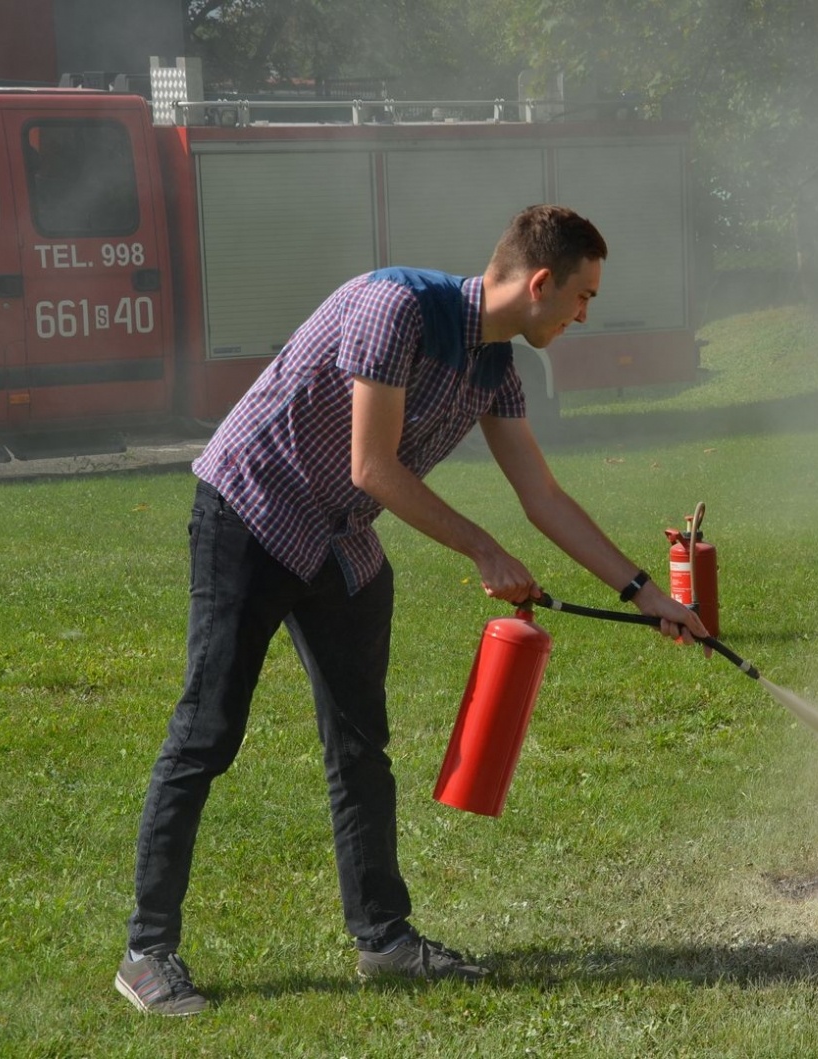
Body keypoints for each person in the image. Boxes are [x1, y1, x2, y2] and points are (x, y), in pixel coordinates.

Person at [115, 205, 707, 1016]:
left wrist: (649, 594)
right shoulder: (395, 307)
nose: (583, 315)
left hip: (339, 539)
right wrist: (483, 550)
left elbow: (543, 496)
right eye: (582, 297)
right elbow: (372, 465)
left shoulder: (497, 368)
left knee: (362, 745)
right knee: (207, 731)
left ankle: (384, 940)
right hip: (251, 513)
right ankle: (148, 951)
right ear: (540, 283)